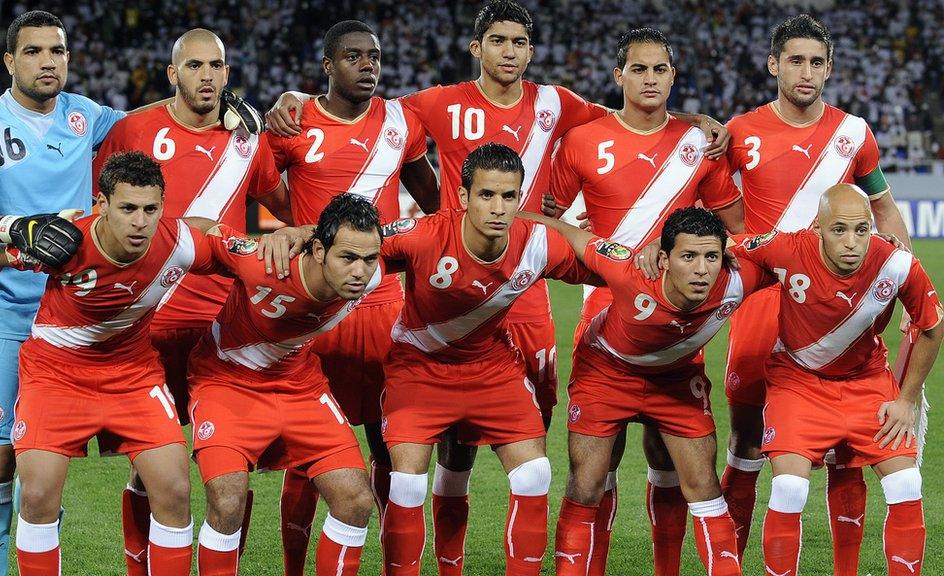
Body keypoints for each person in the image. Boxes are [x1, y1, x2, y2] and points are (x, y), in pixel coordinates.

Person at [266, 6, 729, 570]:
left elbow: (633, 111)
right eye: (498, 41)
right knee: (435, 444)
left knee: (537, 429)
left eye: (520, 42)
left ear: (531, 51)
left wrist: (692, 120)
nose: (510, 51)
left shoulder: (556, 103)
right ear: (476, 47)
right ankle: (446, 550)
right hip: (451, 276)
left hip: (525, 284)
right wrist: (295, 97)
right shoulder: (438, 103)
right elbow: (365, 110)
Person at [0, 152, 227, 576]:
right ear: (102, 204)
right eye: (128, 208)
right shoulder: (66, 241)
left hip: (133, 377)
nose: (140, 221)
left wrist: (281, 240)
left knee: (174, 488)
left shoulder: (177, 243)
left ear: (163, 207)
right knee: (37, 496)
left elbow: (232, 251)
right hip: (55, 377)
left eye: (151, 209)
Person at [89, 28, 290, 575]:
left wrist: (275, 241)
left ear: (227, 73)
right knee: (151, 469)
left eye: (216, 66)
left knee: (234, 469)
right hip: (148, 323)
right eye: (194, 65)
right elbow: (97, 211)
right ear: (172, 74)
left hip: (227, 326)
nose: (206, 75)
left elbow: (278, 208)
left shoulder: (248, 140)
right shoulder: (135, 129)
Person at [545, 28, 744, 575]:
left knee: (671, 464)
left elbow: (736, 231)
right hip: (605, 317)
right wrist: (579, 236)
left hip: (678, 329)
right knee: (592, 474)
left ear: (673, 76)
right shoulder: (584, 141)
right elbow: (541, 217)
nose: (650, 79)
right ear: (620, 76)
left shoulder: (701, 144)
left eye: (660, 70)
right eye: (639, 69)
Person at [719, 15, 913, 569]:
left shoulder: (854, 132)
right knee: (748, 439)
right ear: (774, 64)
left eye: (816, 62)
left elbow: (883, 208)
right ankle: (729, 558)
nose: (806, 72)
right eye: (795, 60)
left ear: (829, 69)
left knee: (847, 450)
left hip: (838, 307)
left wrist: (902, 280)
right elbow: (713, 201)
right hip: (763, 303)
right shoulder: (741, 131)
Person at [0, 11, 124, 575]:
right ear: (10, 61)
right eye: (36, 51)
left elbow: (158, 124)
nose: (49, 61)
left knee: (43, 467)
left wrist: (247, 107)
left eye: (59, 51)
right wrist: (11, 227)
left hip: (65, 319)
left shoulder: (85, 116)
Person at [262, 20, 439, 575]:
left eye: (375, 57)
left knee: (391, 447)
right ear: (328, 65)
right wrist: (301, 234)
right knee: (307, 453)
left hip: (387, 305)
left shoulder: (400, 122)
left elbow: (433, 201)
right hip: (318, 311)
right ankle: (295, 567)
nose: (368, 66)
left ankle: (395, 566)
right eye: (354, 56)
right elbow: (257, 188)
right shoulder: (293, 123)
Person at [377, 143, 600, 576]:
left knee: (534, 474)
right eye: (486, 195)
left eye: (509, 196)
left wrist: (627, 253)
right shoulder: (423, 234)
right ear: (462, 197)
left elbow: (601, 270)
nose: (498, 208)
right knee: (405, 483)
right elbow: (353, 246)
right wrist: (297, 236)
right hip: (420, 368)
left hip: (492, 368)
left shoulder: (535, 242)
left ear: (520, 198)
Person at [516, 207, 764, 576]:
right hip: (605, 374)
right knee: (586, 487)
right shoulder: (629, 270)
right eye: (688, 256)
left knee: (704, 487)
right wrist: (514, 214)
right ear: (663, 259)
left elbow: (797, 250)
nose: (701, 269)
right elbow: (573, 235)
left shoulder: (740, 279)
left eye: (711, 256)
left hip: (676, 381)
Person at [731, 185, 941, 576]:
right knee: (789, 489)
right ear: (817, 228)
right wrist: (660, 243)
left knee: (907, 485)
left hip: (867, 383)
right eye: (839, 230)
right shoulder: (786, 247)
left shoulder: (895, 263)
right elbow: (725, 245)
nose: (852, 242)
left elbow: (931, 326)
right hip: (798, 382)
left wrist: (907, 399)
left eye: (861, 230)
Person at [187, 193, 386, 576]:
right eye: (347, 258)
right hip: (226, 382)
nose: (360, 271)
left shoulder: (370, 264)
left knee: (356, 500)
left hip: (300, 385)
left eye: (369, 259)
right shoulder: (263, 260)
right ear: (318, 250)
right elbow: (196, 231)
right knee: (227, 502)